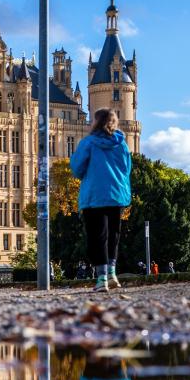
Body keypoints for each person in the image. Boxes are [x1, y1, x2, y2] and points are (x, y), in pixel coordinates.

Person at [71, 108, 132, 293]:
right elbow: (127, 169)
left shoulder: (88, 143)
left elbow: (77, 168)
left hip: (94, 195)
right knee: (113, 235)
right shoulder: (122, 144)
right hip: (116, 194)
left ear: (96, 122)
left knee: (97, 237)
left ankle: (101, 278)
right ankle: (112, 273)